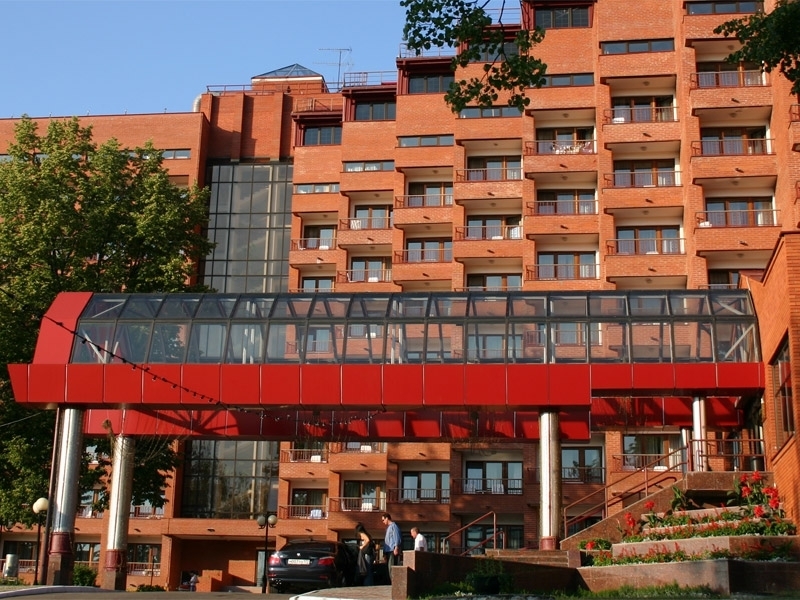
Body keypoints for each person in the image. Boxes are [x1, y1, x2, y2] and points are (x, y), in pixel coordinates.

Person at [381, 512, 401, 581]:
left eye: (383, 520)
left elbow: (397, 537)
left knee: (391, 567)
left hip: (392, 550)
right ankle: (391, 581)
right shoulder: (388, 528)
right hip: (387, 551)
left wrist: (396, 547)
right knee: (388, 568)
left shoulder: (394, 526)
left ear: (387, 518)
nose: (383, 522)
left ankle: (394, 582)